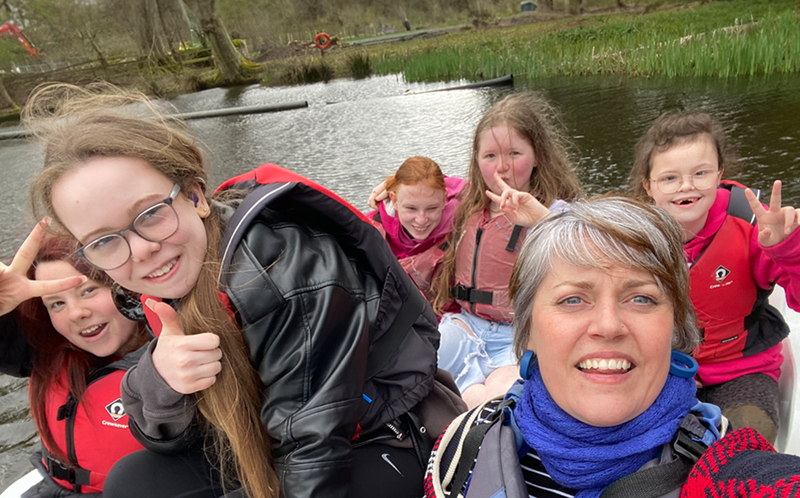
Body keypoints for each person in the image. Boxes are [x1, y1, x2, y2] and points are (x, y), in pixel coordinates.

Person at [23, 83, 465, 498]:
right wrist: (163, 380)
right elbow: (164, 439)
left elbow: (313, 452)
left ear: (194, 196)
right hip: (276, 435)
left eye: (151, 213)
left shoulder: (290, 270)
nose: (140, 250)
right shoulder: (170, 276)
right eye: (104, 241)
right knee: (135, 481)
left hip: (386, 434)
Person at [425, 196, 800, 498]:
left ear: (674, 330)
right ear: (528, 335)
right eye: (573, 300)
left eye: (641, 299)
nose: (608, 326)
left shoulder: (724, 463)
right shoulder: (460, 448)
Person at [629, 111, 800, 444]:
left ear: (719, 173)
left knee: (747, 443)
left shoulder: (752, 228)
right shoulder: (635, 238)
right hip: (667, 372)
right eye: (670, 178)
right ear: (648, 186)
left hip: (742, 371)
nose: (687, 186)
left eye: (701, 172)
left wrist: (787, 249)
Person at [429, 92, 583, 407]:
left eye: (514, 153)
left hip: (518, 338)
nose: (502, 168)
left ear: (537, 155)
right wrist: (388, 194)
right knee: (419, 368)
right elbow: (414, 204)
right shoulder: (466, 205)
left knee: (495, 398)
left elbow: (588, 251)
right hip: (466, 327)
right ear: (477, 160)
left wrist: (540, 218)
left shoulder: (558, 211)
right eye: (490, 157)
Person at [0, 225, 149, 497]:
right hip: (52, 487)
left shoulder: (174, 360)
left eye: (89, 290)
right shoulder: (48, 350)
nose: (75, 314)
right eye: (56, 303)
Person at [367, 156, 465, 301]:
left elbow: (484, 190)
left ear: (444, 199)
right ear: (394, 200)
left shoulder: (466, 216)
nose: (421, 220)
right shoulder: (372, 228)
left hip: (451, 317)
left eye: (432, 208)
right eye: (411, 208)